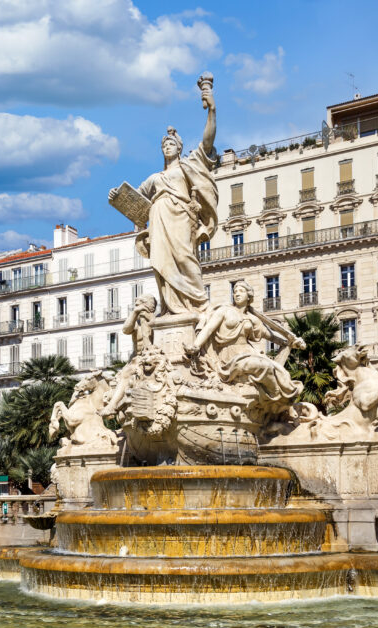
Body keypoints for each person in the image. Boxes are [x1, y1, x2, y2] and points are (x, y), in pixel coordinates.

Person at [108, 76, 218, 316]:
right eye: (164, 145)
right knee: (163, 264)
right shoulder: (155, 177)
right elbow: (133, 198)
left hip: (180, 217)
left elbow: (207, 141)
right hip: (158, 220)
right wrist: (117, 195)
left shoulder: (189, 166)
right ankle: (170, 307)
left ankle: (199, 304)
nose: (167, 147)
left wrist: (212, 110)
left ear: (179, 148)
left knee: (185, 258)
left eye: (171, 144)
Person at [186, 280, 304, 403]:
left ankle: (277, 397)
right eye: (235, 291)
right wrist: (196, 345)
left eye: (241, 291)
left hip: (248, 351)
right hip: (229, 355)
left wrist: (290, 342)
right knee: (264, 365)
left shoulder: (252, 319)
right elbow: (209, 329)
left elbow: (270, 336)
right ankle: (275, 395)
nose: (237, 294)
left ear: (249, 296)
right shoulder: (224, 311)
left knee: (278, 370)